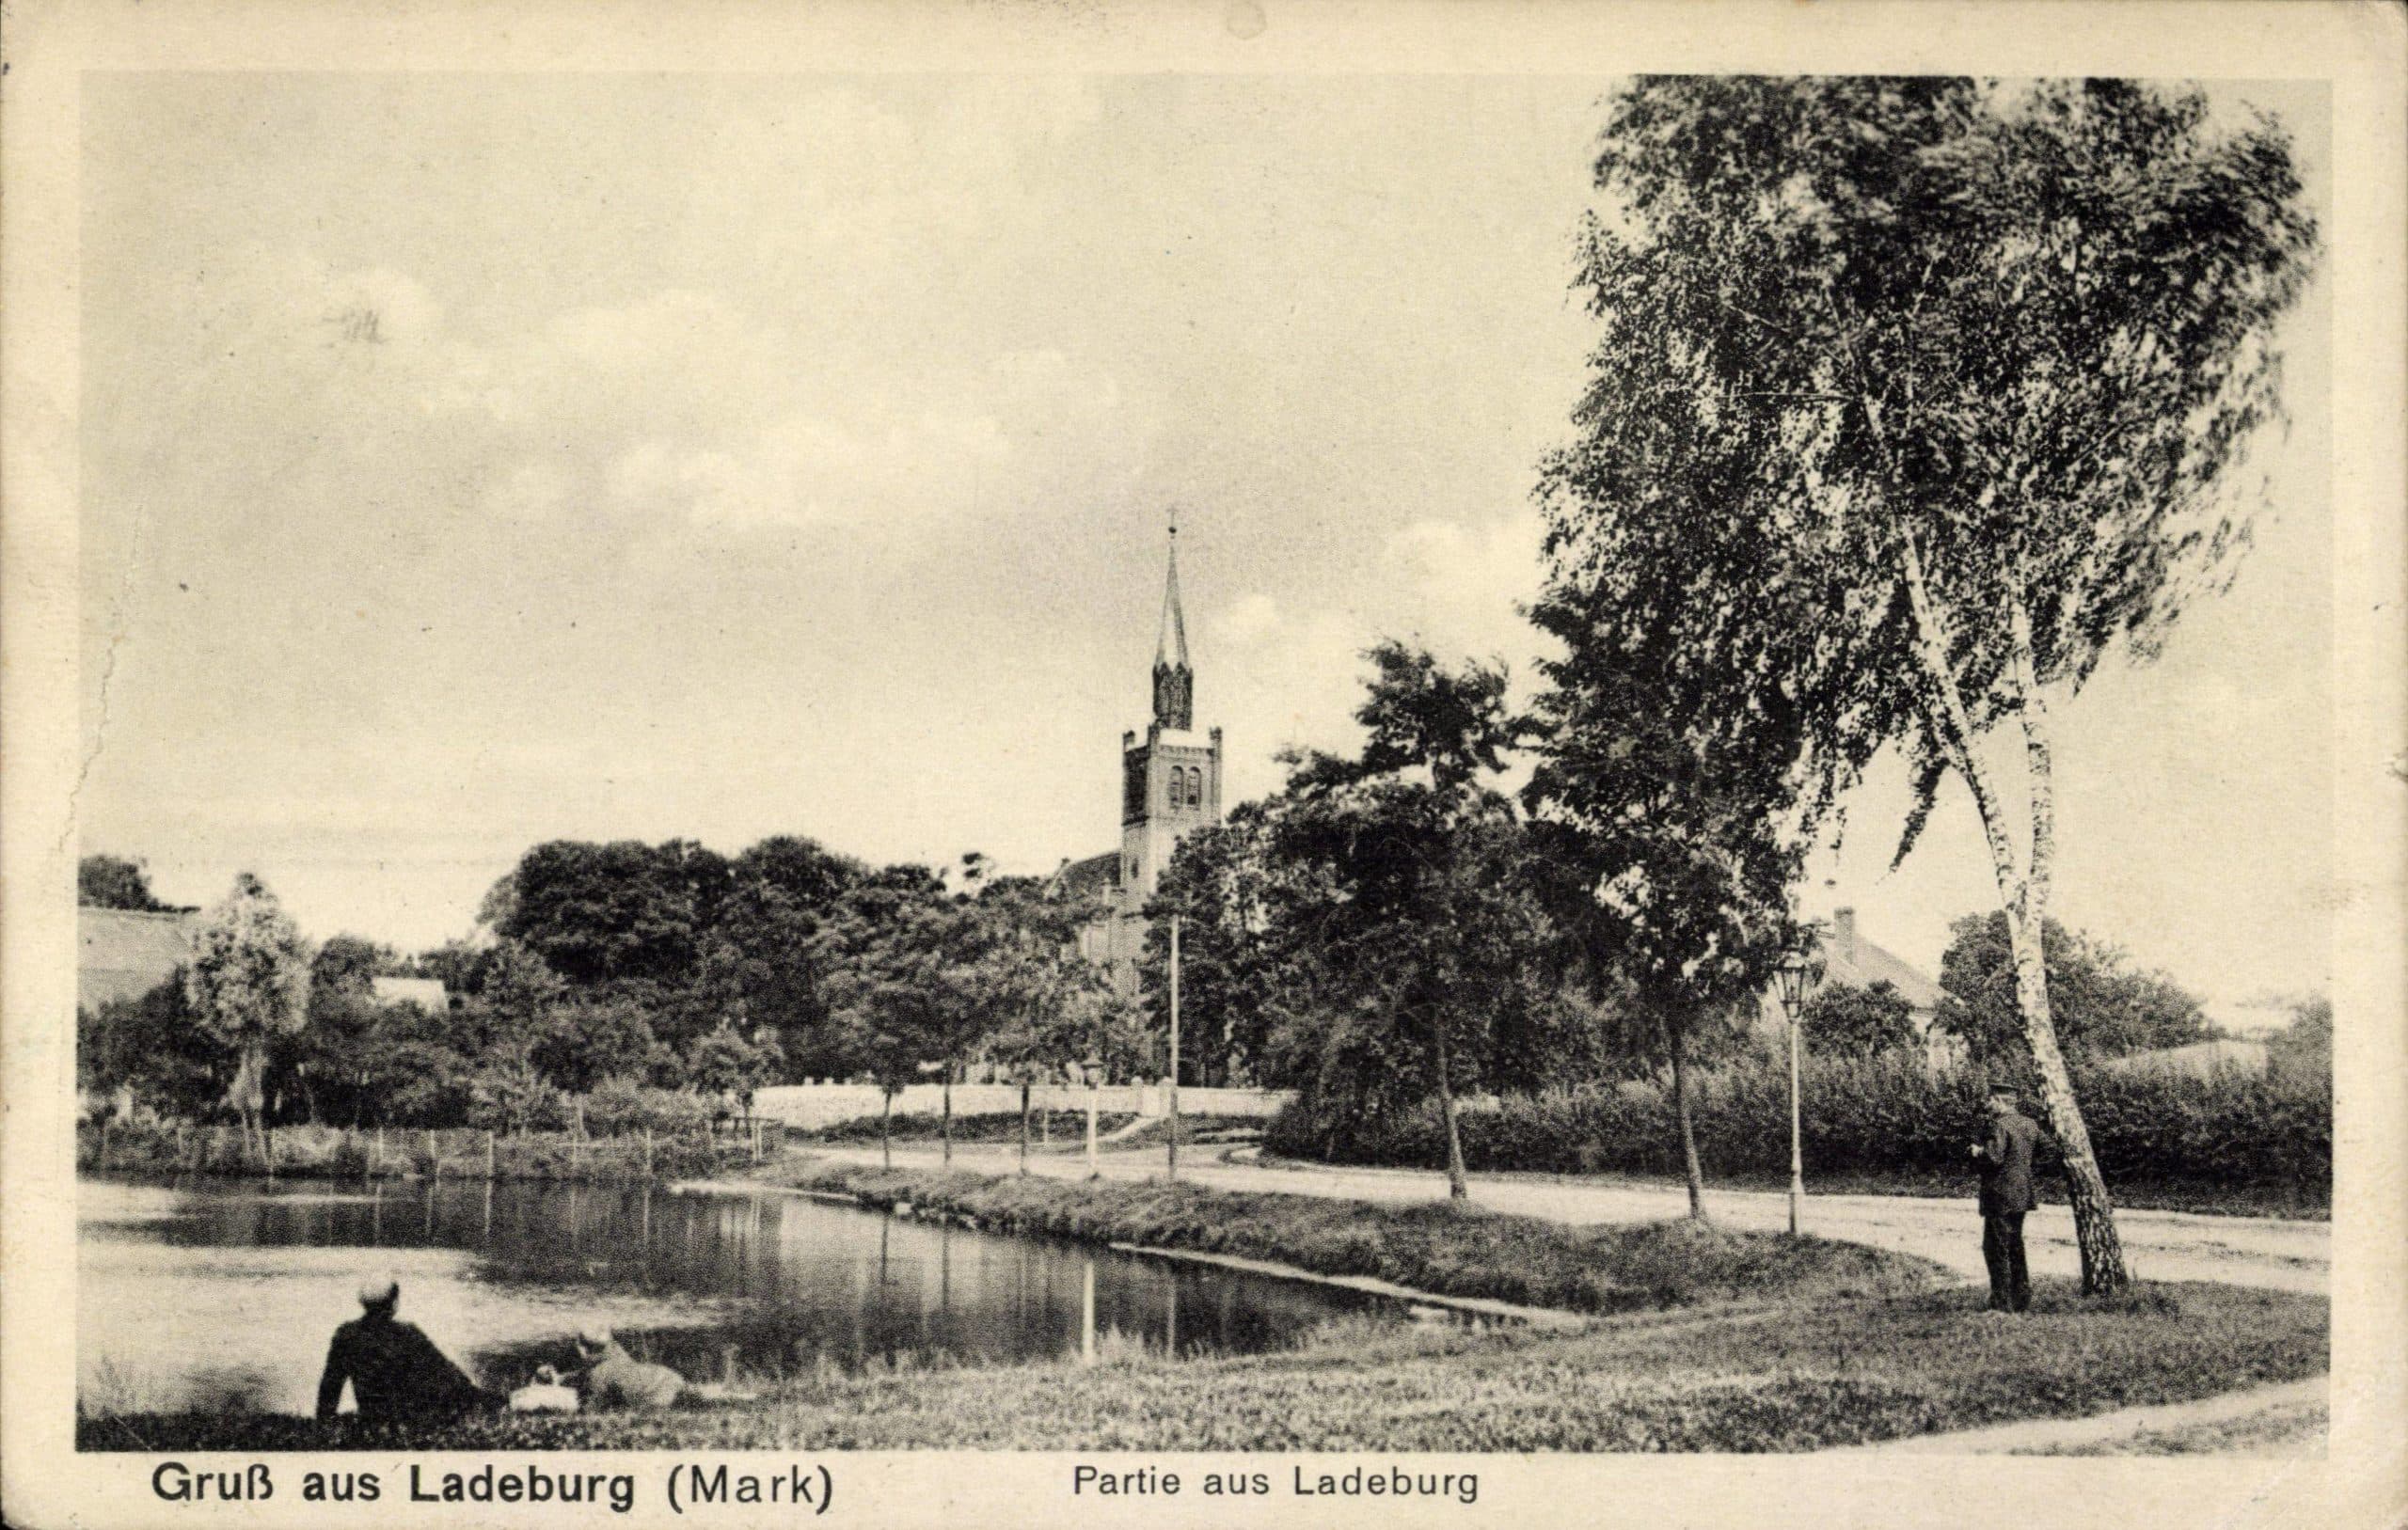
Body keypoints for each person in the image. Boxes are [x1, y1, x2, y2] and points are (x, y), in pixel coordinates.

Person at [315, 1276, 502, 1423]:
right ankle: (499, 1402)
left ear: (362, 1302)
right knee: (457, 1391)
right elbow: (444, 1371)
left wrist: (324, 1418)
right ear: (394, 1304)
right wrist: (475, 1394)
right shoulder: (407, 1333)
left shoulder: (345, 1334)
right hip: (410, 1415)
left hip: (371, 1414)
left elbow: (331, 1384)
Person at [1969, 1086, 2041, 1313]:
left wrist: (1977, 1152)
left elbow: (1993, 1157)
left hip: (1999, 1194)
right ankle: (2021, 1299)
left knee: (1995, 1246)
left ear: (2000, 1101)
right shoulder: (2030, 1124)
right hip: (2021, 1193)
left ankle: (2001, 1304)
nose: (1987, 1104)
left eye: (1990, 1099)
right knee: (2015, 1245)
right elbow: (2043, 1153)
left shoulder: (1998, 1125)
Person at [563, 1325, 688, 1411]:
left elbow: (591, 1407)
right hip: (667, 1381)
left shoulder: (599, 1373)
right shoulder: (618, 1355)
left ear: (584, 1348)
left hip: (659, 1393)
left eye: (579, 1345)